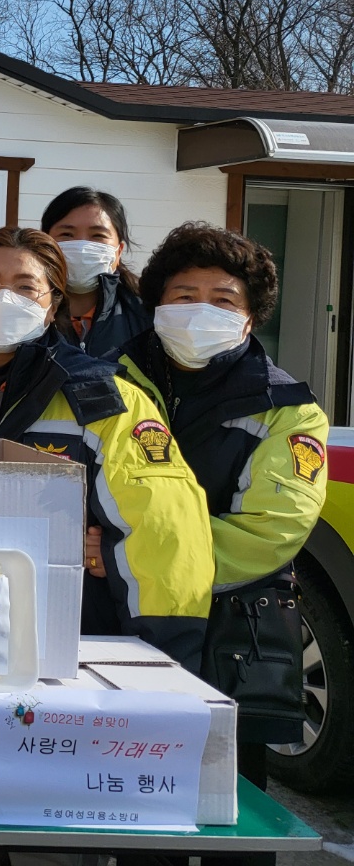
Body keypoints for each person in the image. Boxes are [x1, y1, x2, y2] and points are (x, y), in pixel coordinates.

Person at [105, 222, 326, 837]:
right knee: (117, 792)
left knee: (228, 808)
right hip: (114, 625)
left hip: (231, 634)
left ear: (250, 318)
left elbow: (269, 531)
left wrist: (128, 556)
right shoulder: (102, 383)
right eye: (184, 295)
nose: (201, 310)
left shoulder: (288, 410)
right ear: (156, 305)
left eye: (223, 300)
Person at [0, 226, 214, 667]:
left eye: (25, 287)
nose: (4, 297)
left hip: (67, 634)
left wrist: (160, 659)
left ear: (52, 305)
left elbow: (163, 528)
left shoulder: (104, 397)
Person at [41, 186, 151, 356]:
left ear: (119, 251)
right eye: (67, 234)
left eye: (98, 235)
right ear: (45, 244)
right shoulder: (25, 312)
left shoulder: (146, 315)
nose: (82, 247)